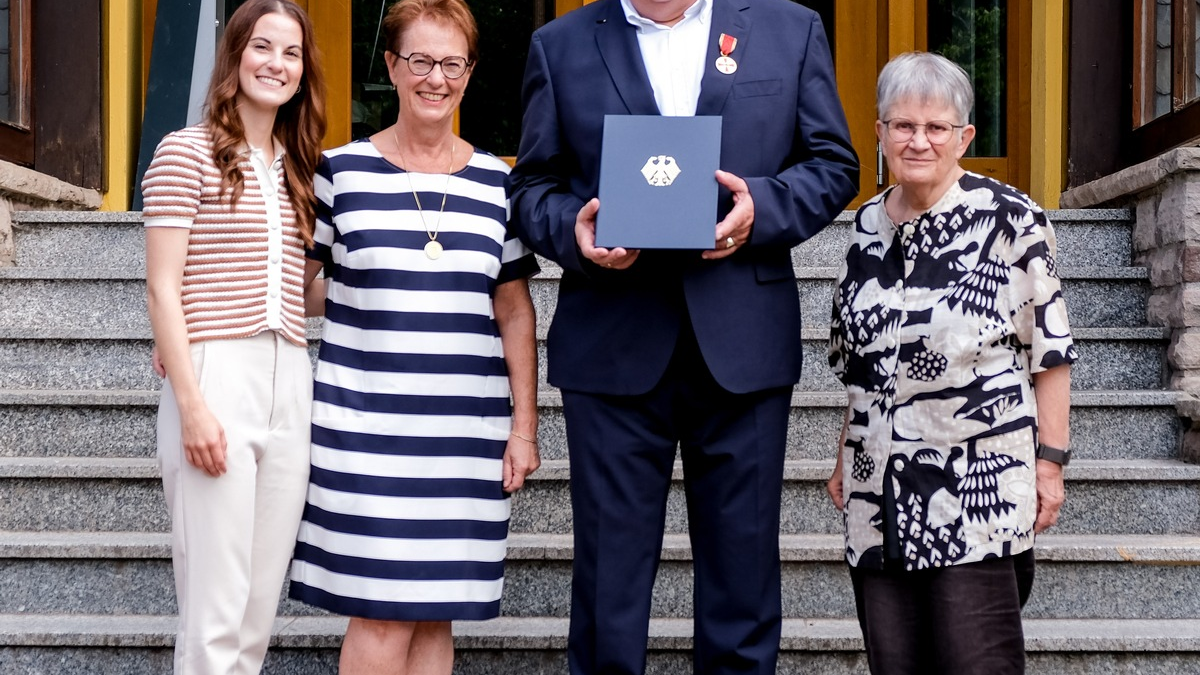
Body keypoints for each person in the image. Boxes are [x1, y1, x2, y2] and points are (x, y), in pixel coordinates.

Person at [509, 0, 859, 670]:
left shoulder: (790, 30)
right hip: (610, 348)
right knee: (606, 586)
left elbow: (833, 164)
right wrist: (575, 234)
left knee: (743, 584)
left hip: (743, 348)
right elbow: (531, 188)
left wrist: (763, 208)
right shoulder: (560, 45)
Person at [285, 0, 541, 673]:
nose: (437, 78)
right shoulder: (339, 172)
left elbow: (514, 311)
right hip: (364, 433)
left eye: (452, 63)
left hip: (464, 439)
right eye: (421, 61)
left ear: (470, 71)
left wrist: (524, 427)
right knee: (380, 612)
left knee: (434, 612)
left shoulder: (498, 182)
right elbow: (296, 290)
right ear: (392, 68)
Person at [826, 51, 1077, 675]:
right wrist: (843, 457)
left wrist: (1050, 464)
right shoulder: (863, 228)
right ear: (879, 134)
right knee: (896, 662)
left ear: (964, 137)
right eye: (902, 125)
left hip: (975, 489)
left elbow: (1049, 351)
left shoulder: (1009, 219)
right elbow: (859, 364)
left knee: (977, 663)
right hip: (877, 491)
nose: (918, 140)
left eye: (936, 127)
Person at [140, 1, 326, 673]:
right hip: (215, 373)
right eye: (263, 47)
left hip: (291, 380)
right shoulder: (183, 152)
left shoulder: (303, 168)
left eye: (292, 52)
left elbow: (303, 292)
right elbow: (163, 286)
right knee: (214, 615)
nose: (277, 63)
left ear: (304, 71)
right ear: (235, 55)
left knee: (254, 613)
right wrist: (191, 404)